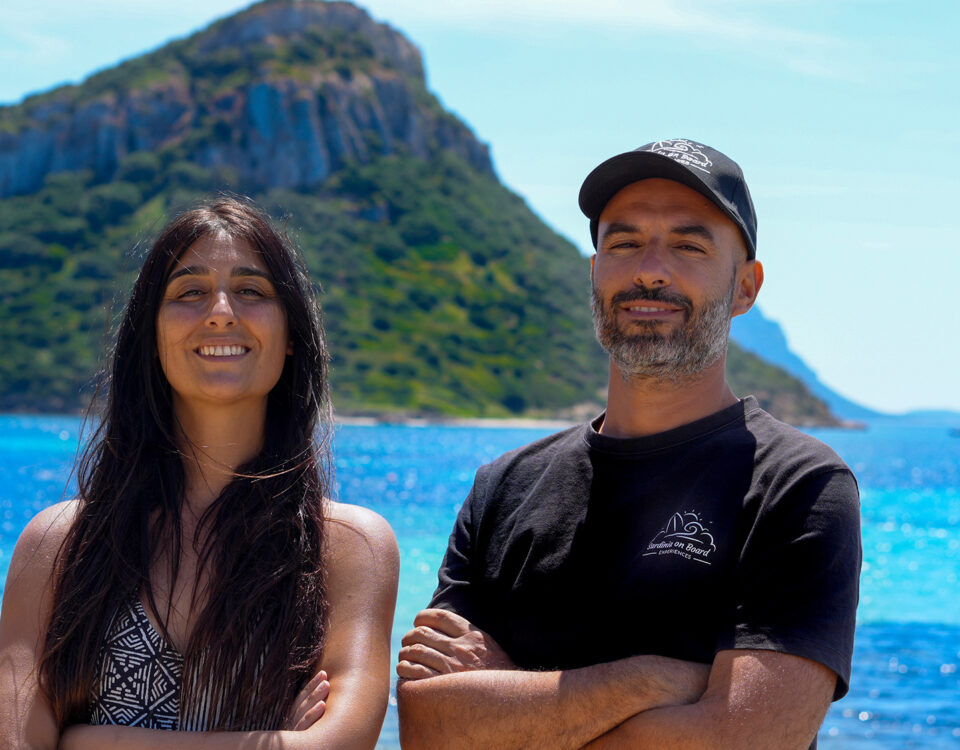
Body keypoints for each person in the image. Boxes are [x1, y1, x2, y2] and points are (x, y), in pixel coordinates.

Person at [396, 139, 861, 750]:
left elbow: (745, 742)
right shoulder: (504, 487)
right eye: (624, 243)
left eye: (689, 246)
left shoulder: (798, 485)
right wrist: (652, 680)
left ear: (746, 287)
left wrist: (506, 698)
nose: (650, 270)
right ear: (595, 271)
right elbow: (427, 729)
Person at [0, 197, 399, 749]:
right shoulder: (59, 545)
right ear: (151, 336)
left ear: (291, 337)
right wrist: (272, 739)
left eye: (252, 291)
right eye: (189, 292)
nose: (221, 312)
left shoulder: (349, 547)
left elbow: (338, 745)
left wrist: (86, 741)